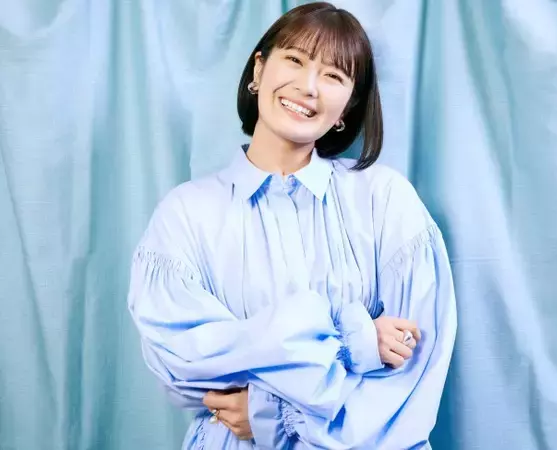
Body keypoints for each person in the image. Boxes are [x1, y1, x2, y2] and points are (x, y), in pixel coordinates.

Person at [127, 2, 457, 449]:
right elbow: (182, 364)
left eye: (333, 76)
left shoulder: (385, 199)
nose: (308, 87)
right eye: (295, 60)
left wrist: (272, 413)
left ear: (347, 107)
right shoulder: (185, 213)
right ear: (259, 70)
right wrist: (356, 341)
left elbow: (413, 376)